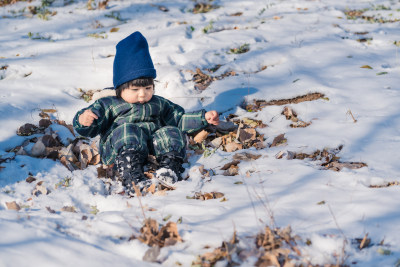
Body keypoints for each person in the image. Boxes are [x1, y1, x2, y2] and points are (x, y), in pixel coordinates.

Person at [73, 31, 219, 195]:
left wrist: (202, 118)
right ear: (120, 88)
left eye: (148, 88)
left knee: (171, 131)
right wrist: (84, 120)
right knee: (128, 130)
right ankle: (130, 174)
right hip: (120, 149)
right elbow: (90, 128)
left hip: (151, 147)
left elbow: (178, 119)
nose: (142, 94)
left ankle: (169, 167)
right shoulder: (108, 104)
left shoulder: (157, 103)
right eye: (135, 89)